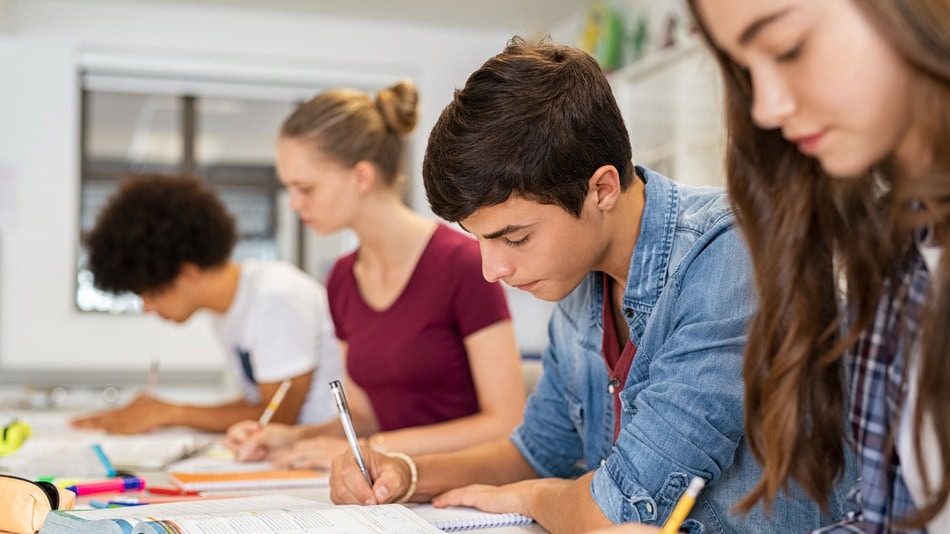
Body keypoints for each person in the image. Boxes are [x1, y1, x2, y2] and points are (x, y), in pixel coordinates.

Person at [328, 38, 854, 533]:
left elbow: (620, 512)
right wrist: (405, 470)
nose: (492, 270)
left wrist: (534, 497)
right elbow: (537, 450)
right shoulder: (581, 281)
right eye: (480, 240)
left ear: (601, 188)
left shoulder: (730, 254)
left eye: (514, 237)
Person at [676, 1, 947, 532]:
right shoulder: (902, 258)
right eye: (745, 70)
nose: (766, 108)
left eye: (787, 48)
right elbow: (882, 521)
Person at [223, 81, 526, 469]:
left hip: (467, 489)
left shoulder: (465, 264)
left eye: (305, 188)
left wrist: (373, 448)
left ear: (361, 177)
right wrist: (293, 437)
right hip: (390, 488)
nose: (295, 204)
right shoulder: (342, 280)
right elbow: (365, 417)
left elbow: (505, 422)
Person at [71, 174, 344, 434]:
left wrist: (171, 413)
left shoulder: (275, 296)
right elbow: (260, 403)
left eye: (151, 294)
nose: (147, 308)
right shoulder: (227, 313)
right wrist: (164, 412)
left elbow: (278, 417)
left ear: (187, 273)